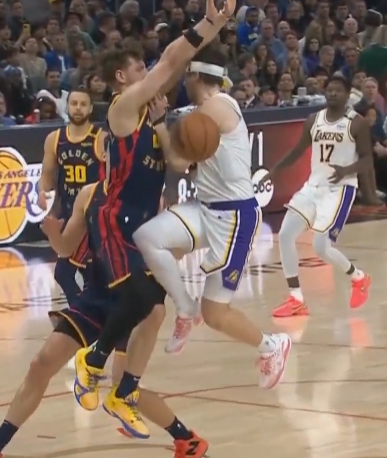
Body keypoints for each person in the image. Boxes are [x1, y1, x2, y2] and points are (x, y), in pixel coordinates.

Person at [72, 0, 236, 439]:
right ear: (121, 77)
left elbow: (179, 164)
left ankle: (124, 392)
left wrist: (165, 123)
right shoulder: (122, 108)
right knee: (143, 297)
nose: (148, 71)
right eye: (138, 67)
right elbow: (170, 61)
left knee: (156, 311)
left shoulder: (152, 114)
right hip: (114, 219)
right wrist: (211, 21)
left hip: (145, 225)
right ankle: (92, 359)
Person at [0, 183, 209, 458]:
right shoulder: (90, 194)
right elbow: (65, 248)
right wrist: (53, 233)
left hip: (134, 301)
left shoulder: (148, 192)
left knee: (125, 389)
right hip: (97, 295)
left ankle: (187, 440)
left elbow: (174, 251)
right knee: (41, 363)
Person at [131, 47, 291, 389]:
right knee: (148, 237)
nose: (183, 82)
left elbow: (177, 162)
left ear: (195, 76)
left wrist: (160, 123)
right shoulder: (206, 110)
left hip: (235, 218)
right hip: (207, 208)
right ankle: (185, 309)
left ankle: (272, 345)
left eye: (186, 75)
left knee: (216, 314)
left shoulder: (214, 109)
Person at [260, 76, 373, 318]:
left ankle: (359, 278)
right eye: (329, 90)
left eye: (338, 91)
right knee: (285, 235)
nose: (332, 94)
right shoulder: (314, 120)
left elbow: (367, 159)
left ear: (347, 95)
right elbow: (297, 150)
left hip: (340, 189)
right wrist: (274, 171)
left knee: (321, 247)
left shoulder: (357, 123)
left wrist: (346, 170)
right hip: (313, 186)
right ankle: (296, 298)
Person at [38, 89, 105, 305]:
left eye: (83, 104)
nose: (78, 108)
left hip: (93, 214)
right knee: (83, 274)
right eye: (74, 103)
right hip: (68, 214)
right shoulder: (55, 139)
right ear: (67, 107)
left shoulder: (101, 138)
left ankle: (82, 313)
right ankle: (88, 313)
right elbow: (47, 175)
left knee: (66, 272)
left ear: (91, 108)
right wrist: (42, 192)